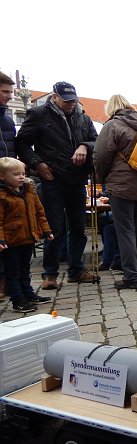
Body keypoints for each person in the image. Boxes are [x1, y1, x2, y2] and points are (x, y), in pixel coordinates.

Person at [15, 81, 98, 289]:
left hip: (77, 180)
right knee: (54, 227)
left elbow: (96, 141)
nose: (71, 104)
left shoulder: (84, 118)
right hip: (52, 178)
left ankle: (76, 270)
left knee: (79, 228)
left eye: (73, 101)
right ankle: (49, 274)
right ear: (55, 97)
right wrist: (37, 164)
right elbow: (22, 143)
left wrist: (84, 146)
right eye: (66, 100)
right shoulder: (39, 115)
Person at [93, 94, 137, 289]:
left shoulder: (112, 125)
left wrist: (102, 180)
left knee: (125, 231)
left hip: (122, 185)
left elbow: (100, 156)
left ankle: (132, 276)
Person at [0, 157, 53, 312]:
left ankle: (28, 294)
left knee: (25, 269)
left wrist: (46, 230)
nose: (21, 177)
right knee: (12, 272)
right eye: (16, 174)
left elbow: (39, 213)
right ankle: (18, 300)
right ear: (3, 176)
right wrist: (1, 238)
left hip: (28, 237)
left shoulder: (29, 191)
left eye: (23, 173)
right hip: (11, 241)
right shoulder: (2, 195)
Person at [0, 71, 17, 299]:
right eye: (5, 92)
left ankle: (8, 281)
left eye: (10, 92)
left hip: (8, 184)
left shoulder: (7, 119)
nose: (9, 96)